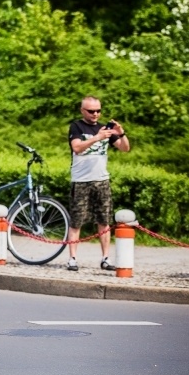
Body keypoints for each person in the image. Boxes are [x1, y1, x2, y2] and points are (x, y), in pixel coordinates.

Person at [66, 96, 130, 271]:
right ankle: (72, 258)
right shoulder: (76, 126)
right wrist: (98, 137)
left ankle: (105, 258)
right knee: (77, 221)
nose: (95, 114)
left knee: (104, 220)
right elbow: (77, 148)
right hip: (81, 181)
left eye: (98, 111)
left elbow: (125, 148)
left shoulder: (104, 129)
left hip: (102, 180)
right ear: (82, 111)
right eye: (91, 111)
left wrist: (120, 132)